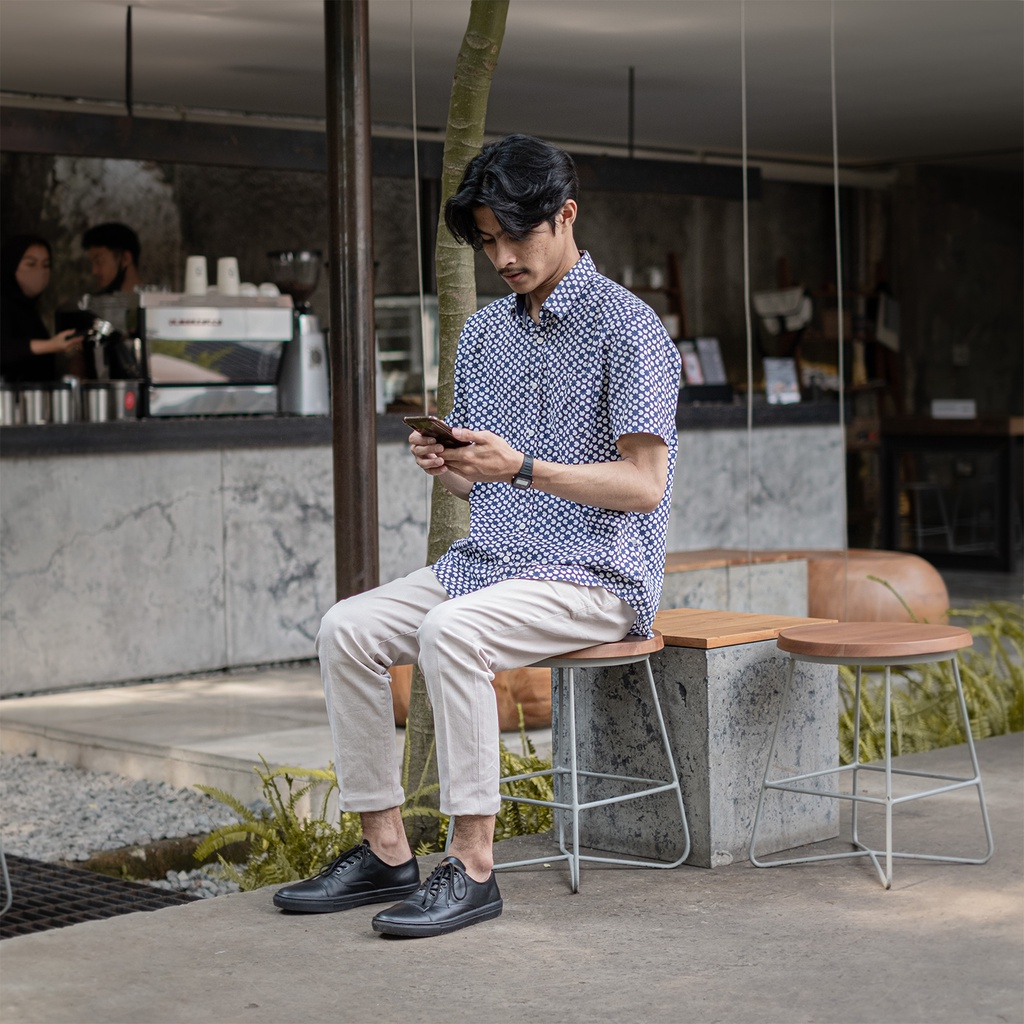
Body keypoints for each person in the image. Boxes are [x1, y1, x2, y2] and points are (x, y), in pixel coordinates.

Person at [273, 134, 682, 938]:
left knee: (449, 630)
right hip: (493, 563)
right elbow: (485, 476)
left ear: (565, 215)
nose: (501, 256)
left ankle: (473, 867)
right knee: (345, 628)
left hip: (596, 574)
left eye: (515, 236)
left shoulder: (628, 328)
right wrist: (450, 464)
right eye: (488, 240)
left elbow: (645, 484)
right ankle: (387, 851)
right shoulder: (487, 334)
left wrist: (526, 468)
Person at [0, 235, 82, 383]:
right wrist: (51, 345)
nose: (40, 271)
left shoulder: (30, 309)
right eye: (31, 264)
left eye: (46, 265)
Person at [81, 222, 141, 294]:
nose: (94, 271)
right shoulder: (94, 303)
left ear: (125, 258)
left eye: (99, 261)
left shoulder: (155, 302)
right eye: (92, 263)